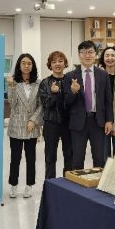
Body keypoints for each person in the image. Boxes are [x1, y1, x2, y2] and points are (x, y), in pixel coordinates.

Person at [64, 40, 113, 168]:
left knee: (99, 159)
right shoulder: (70, 76)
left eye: (90, 52)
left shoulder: (103, 74)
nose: (87, 55)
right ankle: (77, 182)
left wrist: (109, 120)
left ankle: (97, 181)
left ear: (95, 54)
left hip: (98, 122)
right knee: (77, 159)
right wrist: (73, 92)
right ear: (79, 55)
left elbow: (108, 100)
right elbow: (66, 102)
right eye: (84, 52)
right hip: (78, 122)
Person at [6, 53, 43, 198]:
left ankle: (29, 185)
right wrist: (11, 86)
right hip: (16, 125)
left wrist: (33, 120)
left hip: (31, 126)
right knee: (15, 158)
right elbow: (12, 104)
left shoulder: (38, 83)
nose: (26, 66)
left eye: (29, 63)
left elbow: (41, 105)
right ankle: (13, 185)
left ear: (32, 66)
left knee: (31, 158)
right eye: (23, 63)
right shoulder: (13, 82)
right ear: (19, 65)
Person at [38, 50, 72, 179]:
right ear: (50, 65)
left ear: (65, 63)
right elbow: (46, 104)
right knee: (50, 157)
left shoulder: (70, 80)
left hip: (68, 124)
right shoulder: (45, 82)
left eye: (60, 61)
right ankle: (50, 185)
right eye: (54, 62)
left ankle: (68, 185)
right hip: (51, 124)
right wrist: (53, 93)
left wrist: (74, 92)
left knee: (69, 156)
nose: (57, 64)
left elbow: (72, 103)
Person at [98, 46, 115, 158]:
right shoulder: (97, 75)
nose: (110, 58)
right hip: (102, 118)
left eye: (113, 55)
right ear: (103, 58)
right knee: (104, 153)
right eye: (107, 55)